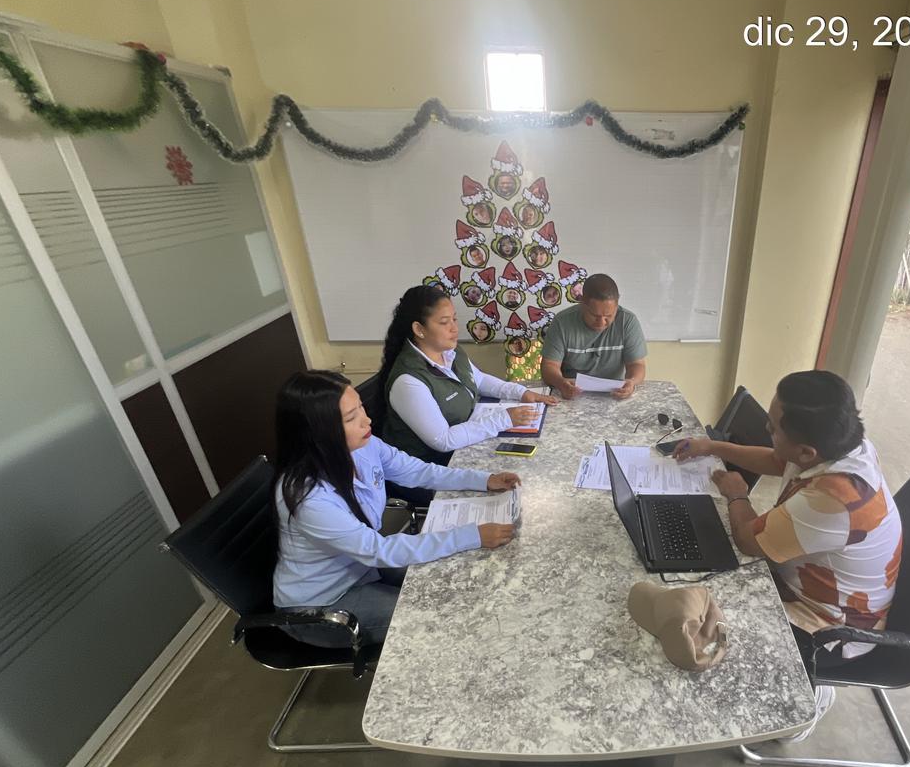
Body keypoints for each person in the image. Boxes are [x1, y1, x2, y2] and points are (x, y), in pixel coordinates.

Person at [674, 370, 902, 719]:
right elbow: (779, 459)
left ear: (807, 451)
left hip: (829, 628)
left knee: (700, 627)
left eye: (773, 429)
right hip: (805, 585)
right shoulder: (846, 447)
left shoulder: (835, 499)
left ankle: (808, 702)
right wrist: (712, 447)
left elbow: (747, 540)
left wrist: (737, 494)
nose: (767, 430)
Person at [273, 369, 520, 648]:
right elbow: (379, 551)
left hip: (363, 567)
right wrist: (473, 535)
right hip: (323, 605)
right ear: (317, 432)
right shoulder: (309, 498)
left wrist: (483, 480)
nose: (367, 420)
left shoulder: (362, 446)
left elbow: (417, 471)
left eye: (361, 407)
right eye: (351, 418)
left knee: (456, 578)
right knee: (442, 617)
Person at [380, 285, 557, 463]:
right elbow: (443, 440)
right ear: (419, 329)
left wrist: (521, 393)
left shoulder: (449, 351)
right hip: (434, 466)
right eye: (444, 322)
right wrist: (505, 419)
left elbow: (479, 379)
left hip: (466, 446)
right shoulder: (408, 382)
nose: (454, 328)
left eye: (454, 319)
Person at [540, 273, 647, 400]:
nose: (601, 322)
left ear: (616, 306)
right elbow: (549, 366)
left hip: (614, 394)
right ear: (582, 303)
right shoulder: (562, 322)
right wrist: (561, 383)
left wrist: (632, 382)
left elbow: (637, 364)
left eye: (608, 316)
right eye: (595, 315)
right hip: (571, 393)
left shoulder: (627, 321)